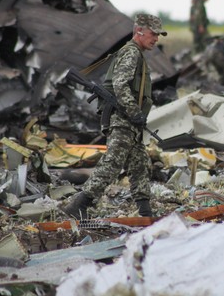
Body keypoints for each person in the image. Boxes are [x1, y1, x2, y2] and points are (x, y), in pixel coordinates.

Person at [63, 14, 167, 219]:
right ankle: (79, 205)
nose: (156, 39)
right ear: (139, 32)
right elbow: (120, 84)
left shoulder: (136, 53)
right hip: (123, 119)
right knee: (113, 163)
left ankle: (145, 212)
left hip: (130, 120)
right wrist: (134, 111)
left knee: (139, 165)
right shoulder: (131, 53)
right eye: (153, 34)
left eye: (158, 35)